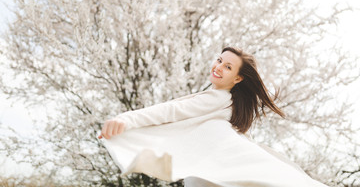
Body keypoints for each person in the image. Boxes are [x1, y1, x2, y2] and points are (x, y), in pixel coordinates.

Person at [99, 46, 329, 187]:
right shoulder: (225, 104)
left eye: (228, 67)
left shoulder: (217, 99)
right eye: (219, 60)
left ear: (237, 79)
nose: (218, 67)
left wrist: (127, 120)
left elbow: (170, 111)